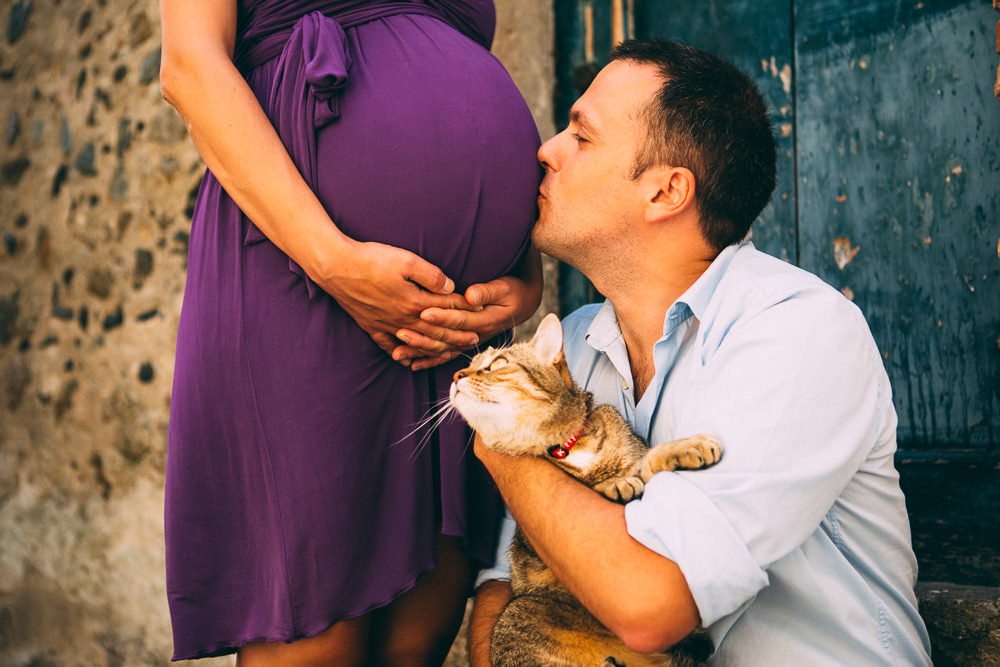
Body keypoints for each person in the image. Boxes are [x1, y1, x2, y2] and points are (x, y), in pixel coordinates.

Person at [462, 39, 933, 665]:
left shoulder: (799, 334)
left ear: (666, 192)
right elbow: (506, 581)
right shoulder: (567, 345)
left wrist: (499, 442)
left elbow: (652, 602)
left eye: (581, 136)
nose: (545, 150)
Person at [158, 0, 543, 663]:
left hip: (453, 324)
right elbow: (190, 66)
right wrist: (333, 262)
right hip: (299, 270)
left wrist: (519, 272)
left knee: (417, 634)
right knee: (313, 635)